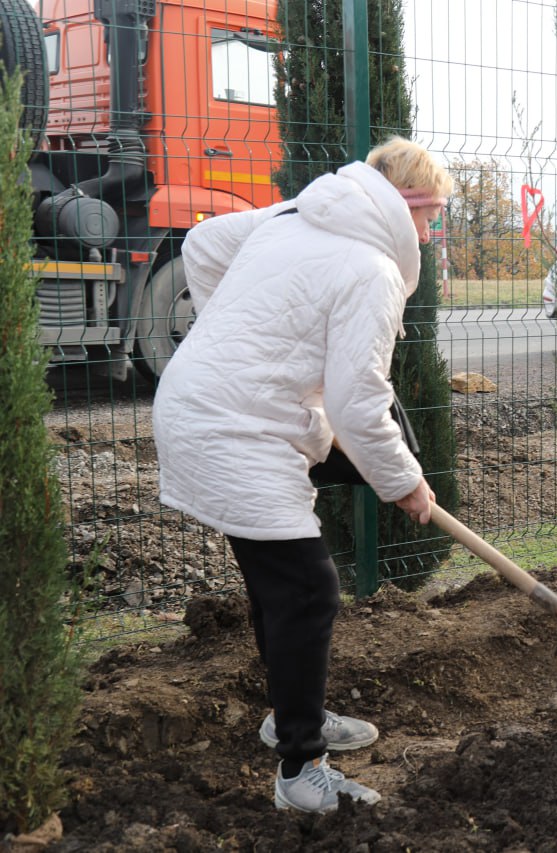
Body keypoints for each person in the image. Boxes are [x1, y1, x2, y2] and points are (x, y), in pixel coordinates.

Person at [152, 137, 452, 813]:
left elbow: (201, 248)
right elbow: (355, 402)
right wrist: (403, 482)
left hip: (202, 407)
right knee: (310, 589)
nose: (429, 237)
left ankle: (295, 714)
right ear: (402, 205)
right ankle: (300, 770)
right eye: (429, 217)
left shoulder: (296, 215)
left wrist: (237, 337)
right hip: (233, 431)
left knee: (280, 585)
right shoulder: (371, 267)